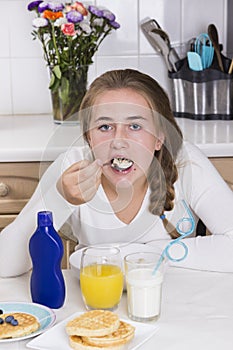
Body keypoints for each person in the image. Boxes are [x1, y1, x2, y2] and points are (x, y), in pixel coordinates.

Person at [0, 69, 233, 277]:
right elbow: (5, 265)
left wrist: (145, 254)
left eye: (135, 126)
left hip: (177, 299)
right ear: (89, 138)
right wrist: (59, 199)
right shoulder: (72, 166)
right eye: (104, 127)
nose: (119, 141)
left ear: (160, 137)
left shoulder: (186, 162)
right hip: (92, 307)